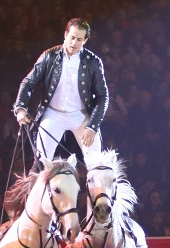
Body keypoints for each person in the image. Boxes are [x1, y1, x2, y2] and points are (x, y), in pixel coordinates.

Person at [13, 18, 108, 163]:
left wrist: (92, 126)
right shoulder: (49, 56)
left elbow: (103, 96)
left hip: (81, 116)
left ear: (85, 41)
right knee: (41, 163)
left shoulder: (93, 62)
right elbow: (28, 83)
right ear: (65, 35)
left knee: (98, 165)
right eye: (72, 37)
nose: (74, 43)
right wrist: (20, 108)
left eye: (79, 39)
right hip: (53, 115)